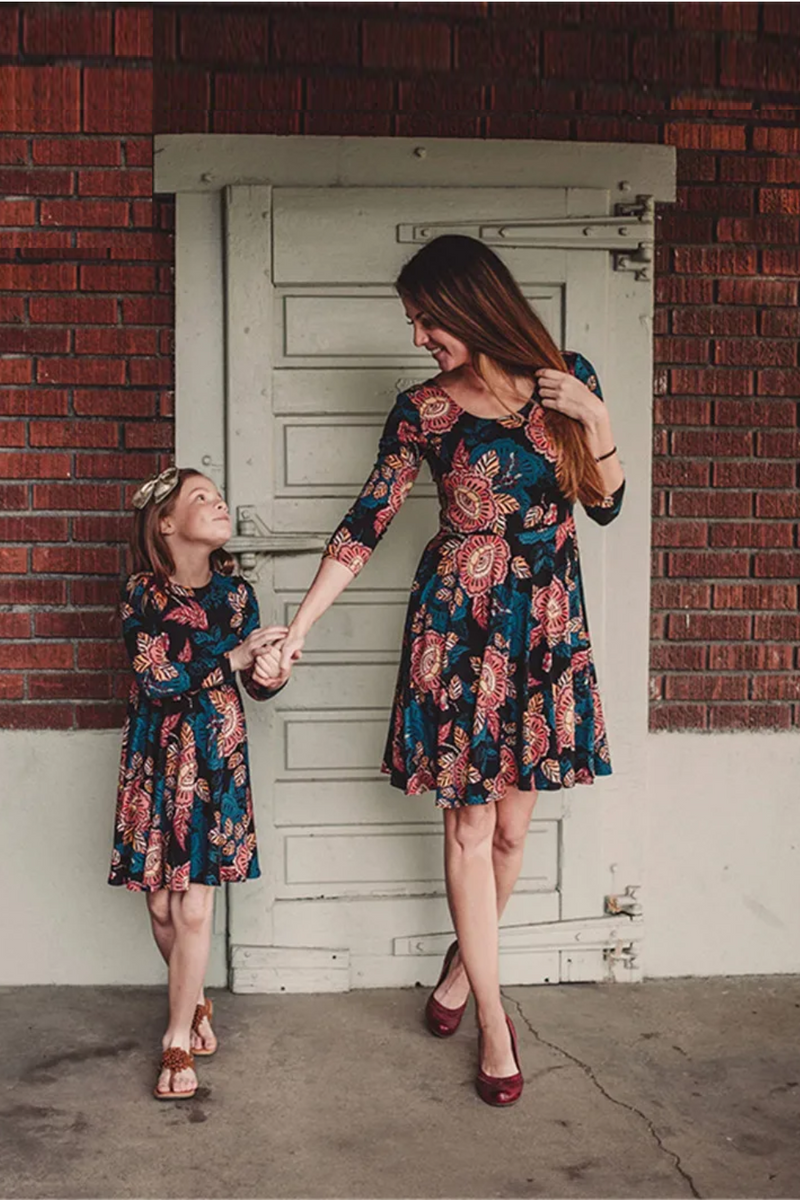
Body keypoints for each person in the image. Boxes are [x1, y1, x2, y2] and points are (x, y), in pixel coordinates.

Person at [277, 235, 625, 1107]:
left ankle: (461, 975)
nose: (420, 334)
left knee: (512, 836)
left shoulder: (564, 377)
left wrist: (598, 417)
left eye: (428, 318)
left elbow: (605, 503)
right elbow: (366, 522)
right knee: (469, 833)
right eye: (414, 323)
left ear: (471, 304)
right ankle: (496, 1023)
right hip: (458, 634)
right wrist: (301, 627)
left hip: (544, 631)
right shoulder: (423, 410)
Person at [109, 466, 292, 1100]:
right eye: (200, 497)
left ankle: (176, 1040)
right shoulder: (141, 593)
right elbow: (156, 678)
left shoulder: (237, 597)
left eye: (218, 495)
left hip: (213, 761)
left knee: (192, 905)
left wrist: (270, 667)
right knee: (161, 907)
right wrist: (231, 659)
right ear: (166, 523)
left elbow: (256, 688)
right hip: (155, 760)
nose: (218, 502)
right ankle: (197, 1001)